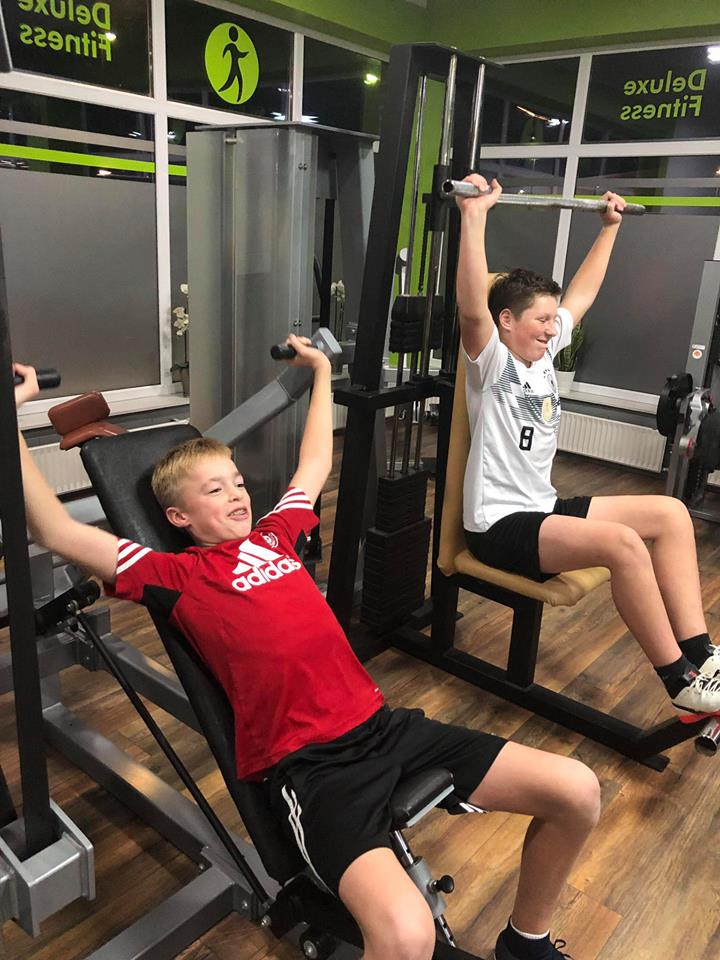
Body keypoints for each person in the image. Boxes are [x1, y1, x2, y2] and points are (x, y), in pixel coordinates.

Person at [15, 341, 600, 960]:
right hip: (316, 771)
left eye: (238, 481)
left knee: (576, 790)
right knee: (407, 936)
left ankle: (526, 943)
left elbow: (316, 461)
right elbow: (54, 529)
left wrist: (322, 371)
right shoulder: (174, 575)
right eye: (215, 490)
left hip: (386, 729)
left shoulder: (276, 536)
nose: (237, 494)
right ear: (178, 517)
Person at [455, 173, 720, 723]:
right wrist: (474, 217)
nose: (552, 329)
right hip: (499, 526)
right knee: (623, 544)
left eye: (553, 321)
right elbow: (472, 310)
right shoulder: (493, 362)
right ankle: (678, 682)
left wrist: (609, 228)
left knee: (670, 513)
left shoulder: (543, 353)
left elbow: (583, 294)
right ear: (507, 321)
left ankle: (701, 655)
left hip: (541, 508)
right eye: (541, 320)